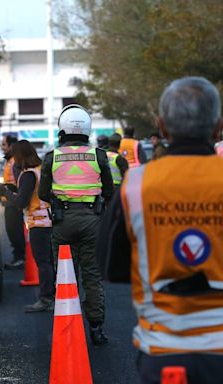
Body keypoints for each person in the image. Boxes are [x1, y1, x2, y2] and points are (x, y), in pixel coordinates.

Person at [98, 76, 223, 383]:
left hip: (165, 353)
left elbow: (110, 267)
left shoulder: (137, 185)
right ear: (218, 126)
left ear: (163, 127)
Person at [38, 104, 113, 345]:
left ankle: (67, 326)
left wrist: (61, 199)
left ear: (62, 129)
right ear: (88, 129)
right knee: (92, 274)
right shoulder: (99, 155)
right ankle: (96, 328)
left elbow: (42, 193)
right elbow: (109, 191)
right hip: (93, 220)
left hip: (63, 221)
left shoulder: (52, 157)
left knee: (66, 276)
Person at [0, 140, 54, 312]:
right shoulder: (39, 170)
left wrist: (6, 194)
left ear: (20, 155)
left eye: (15, 156)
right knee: (50, 262)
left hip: (38, 223)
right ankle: (54, 295)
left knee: (43, 262)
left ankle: (46, 299)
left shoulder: (28, 174)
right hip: (49, 220)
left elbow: (21, 202)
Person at [0, 134, 26, 270]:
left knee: (14, 230)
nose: (2, 147)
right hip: (10, 199)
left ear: (11, 146)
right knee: (12, 230)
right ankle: (19, 256)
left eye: (4, 144)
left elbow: (19, 181)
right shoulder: (10, 160)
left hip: (14, 200)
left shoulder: (15, 161)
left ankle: (20, 257)